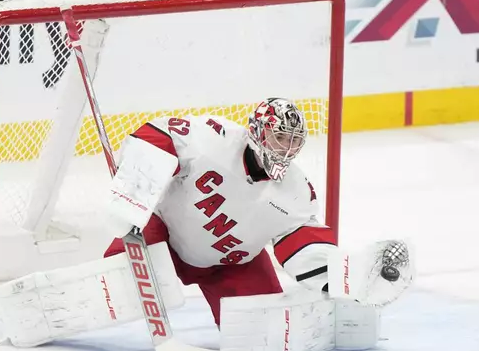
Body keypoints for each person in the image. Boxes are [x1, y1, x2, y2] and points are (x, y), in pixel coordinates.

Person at [103, 97, 339, 326]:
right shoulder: (215, 140)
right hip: (163, 236)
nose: (286, 149)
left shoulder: (296, 191)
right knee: (114, 290)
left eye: (293, 140)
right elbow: (158, 134)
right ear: (257, 131)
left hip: (231, 266)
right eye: (279, 137)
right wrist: (133, 191)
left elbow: (306, 247)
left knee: (263, 331)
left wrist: (342, 280)